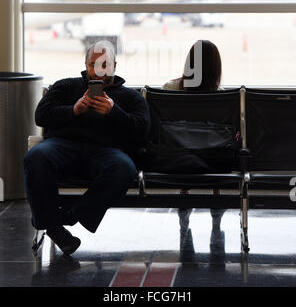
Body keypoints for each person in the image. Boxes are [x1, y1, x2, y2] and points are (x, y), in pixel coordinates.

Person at [24, 40, 150, 255]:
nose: (98, 69)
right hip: (62, 146)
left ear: (114, 66)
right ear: (85, 65)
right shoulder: (65, 86)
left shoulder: (131, 97)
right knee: (36, 156)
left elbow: (143, 132)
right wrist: (73, 110)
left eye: (105, 64)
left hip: (106, 151)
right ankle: (54, 227)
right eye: (94, 64)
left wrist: (114, 112)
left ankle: (72, 215)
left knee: (124, 168)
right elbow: (41, 116)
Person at [163, 39, 225, 252]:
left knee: (182, 145)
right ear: (216, 67)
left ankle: (184, 198)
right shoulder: (221, 95)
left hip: (180, 155)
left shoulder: (169, 88)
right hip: (211, 156)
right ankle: (216, 209)